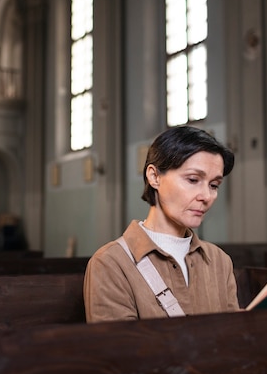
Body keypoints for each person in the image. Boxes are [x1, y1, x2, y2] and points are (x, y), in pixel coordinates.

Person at [83, 126, 239, 322]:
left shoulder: (219, 261)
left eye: (214, 185)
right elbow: (118, 348)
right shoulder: (110, 263)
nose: (207, 196)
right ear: (154, 176)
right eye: (193, 179)